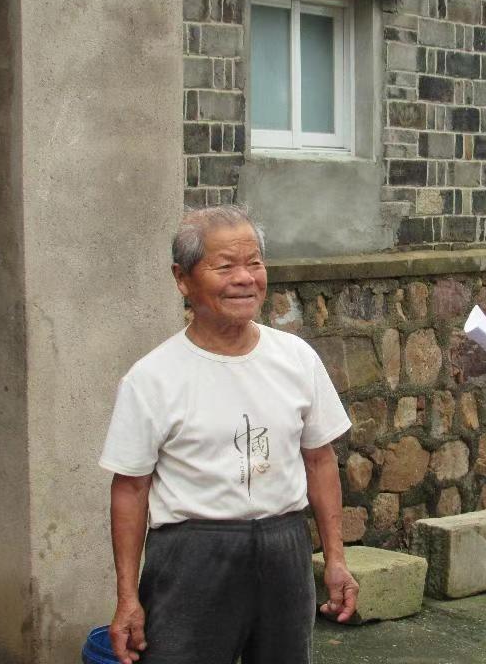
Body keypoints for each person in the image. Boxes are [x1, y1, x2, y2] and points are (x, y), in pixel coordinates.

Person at [99, 206, 358, 664]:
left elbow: (319, 460)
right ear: (182, 279)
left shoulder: (296, 358)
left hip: (284, 547)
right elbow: (130, 488)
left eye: (254, 263)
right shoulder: (152, 378)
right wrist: (127, 597)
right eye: (225, 267)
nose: (244, 278)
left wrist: (335, 559)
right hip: (191, 555)